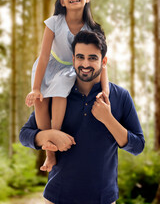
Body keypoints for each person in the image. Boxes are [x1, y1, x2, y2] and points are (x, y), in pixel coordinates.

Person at [20, 30, 145, 204]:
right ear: (73, 59)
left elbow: (138, 145)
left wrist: (108, 119)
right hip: (57, 197)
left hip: (103, 199)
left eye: (92, 58)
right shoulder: (58, 94)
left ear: (104, 61)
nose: (85, 64)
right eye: (80, 57)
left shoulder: (120, 96)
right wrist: (48, 135)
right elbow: (25, 135)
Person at [25, 0, 109, 172]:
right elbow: (44, 56)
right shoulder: (54, 22)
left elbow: (103, 63)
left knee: (61, 89)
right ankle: (50, 152)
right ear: (62, 1)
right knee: (40, 101)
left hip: (69, 68)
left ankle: (56, 132)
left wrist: (105, 90)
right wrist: (36, 88)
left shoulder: (93, 30)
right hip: (48, 65)